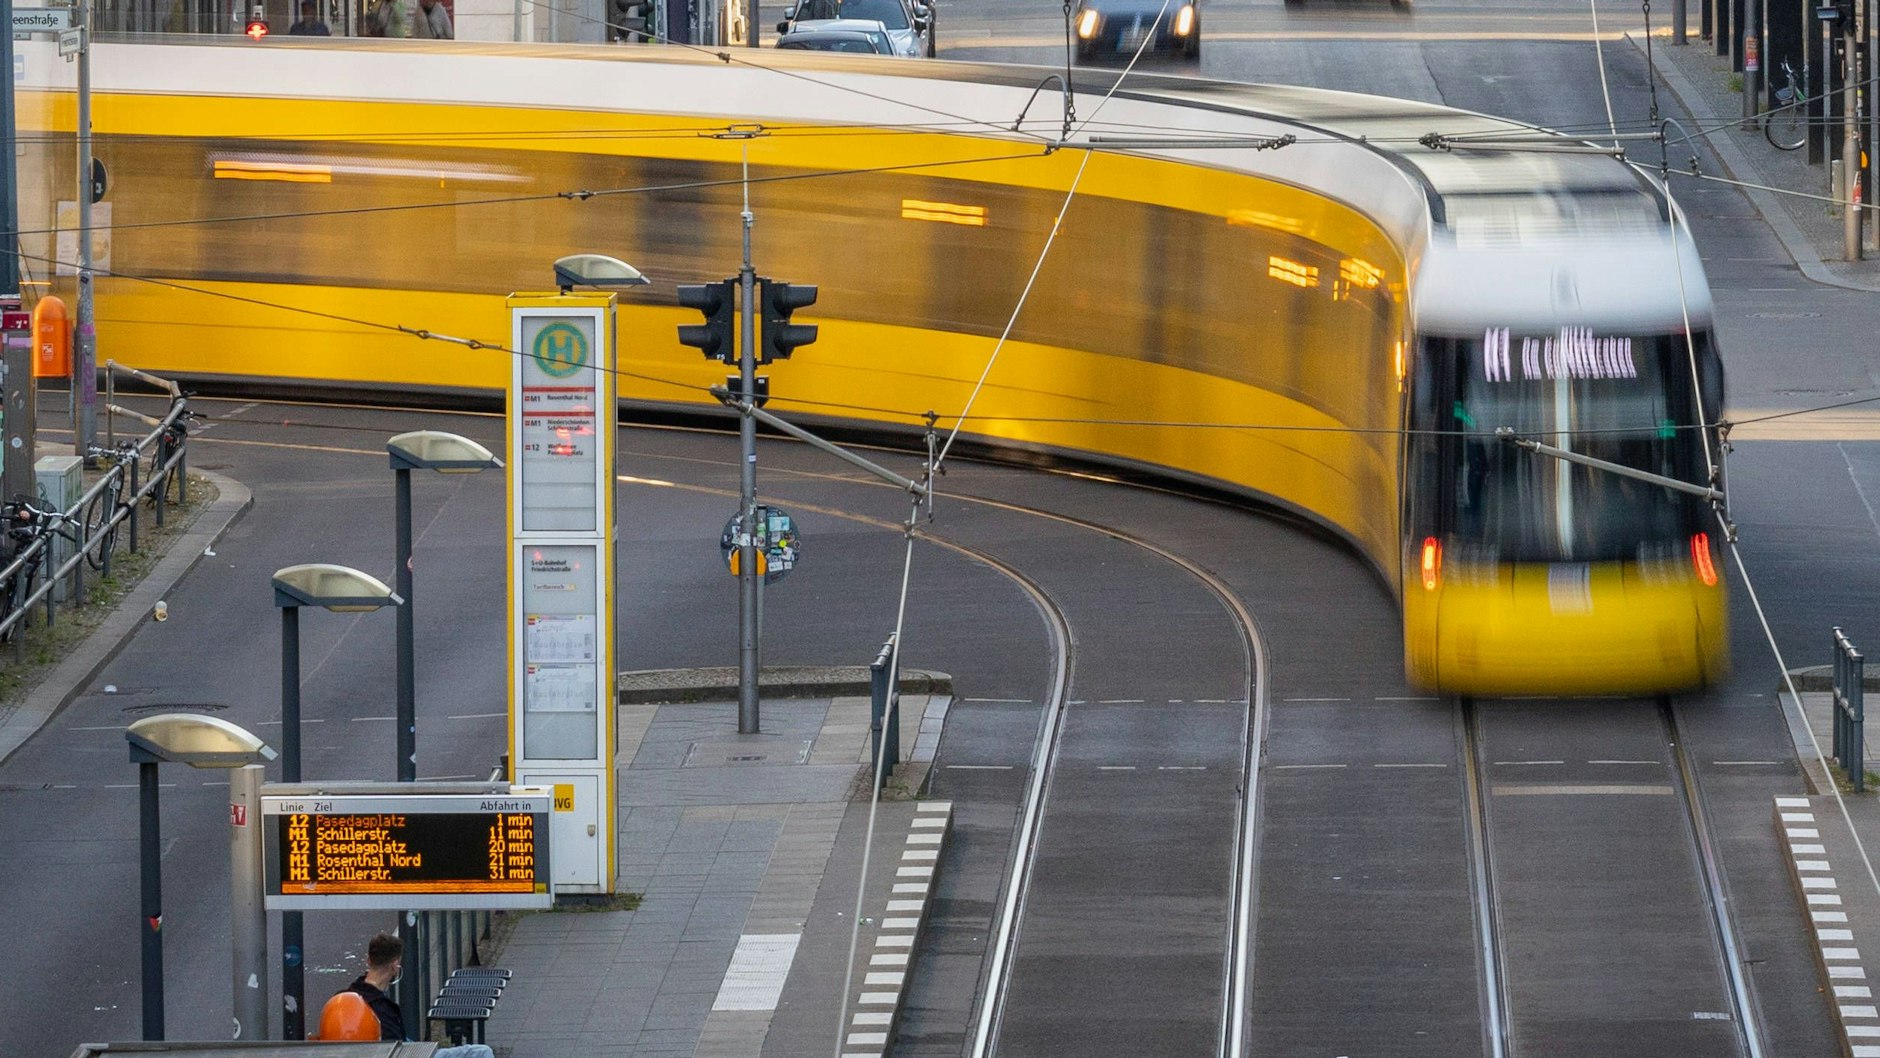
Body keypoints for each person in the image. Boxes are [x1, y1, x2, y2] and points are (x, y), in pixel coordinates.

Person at [343, 932, 494, 1058]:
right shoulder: (382, 1008)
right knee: (482, 1052)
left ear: (368, 960)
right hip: (408, 1053)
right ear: (395, 966)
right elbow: (398, 1048)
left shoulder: (346, 996)